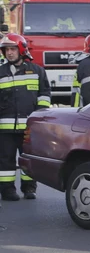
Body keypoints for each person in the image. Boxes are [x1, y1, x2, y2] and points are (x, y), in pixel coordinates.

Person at [0, 34, 50, 201]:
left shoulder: (37, 71)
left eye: (13, 49)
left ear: (21, 50)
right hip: (5, 129)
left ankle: (29, 188)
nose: (10, 53)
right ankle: (7, 191)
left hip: (29, 128)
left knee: (27, 160)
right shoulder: (1, 72)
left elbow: (44, 95)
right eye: (7, 50)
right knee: (5, 161)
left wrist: (39, 115)